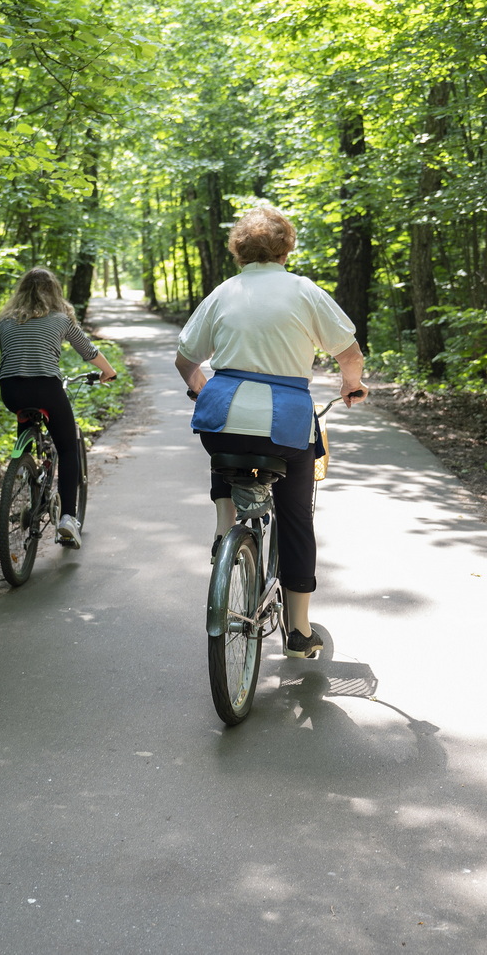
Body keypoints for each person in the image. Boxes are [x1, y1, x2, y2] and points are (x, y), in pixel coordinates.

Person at [174, 206, 366, 658]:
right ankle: (298, 630)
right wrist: (351, 384)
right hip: (285, 424)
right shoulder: (303, 291)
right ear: (286, 247)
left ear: (239, 249)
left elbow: (186, 358)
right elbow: (349, 352)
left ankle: (225, 528)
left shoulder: (224, 291)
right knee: (296, 514)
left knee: (225, 444)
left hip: (222, 415)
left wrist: (200, 388)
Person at [0, 267, 117, 549]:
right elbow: (88, 351)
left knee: (26, 429)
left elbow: (8, 352)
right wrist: (108, 373)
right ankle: (68, 519)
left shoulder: (3, 322)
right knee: (67, 448)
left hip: (11, 390)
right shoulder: (61, 319)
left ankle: (25, 475)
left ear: (20, 292)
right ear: (54, 292)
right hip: (46, 389)